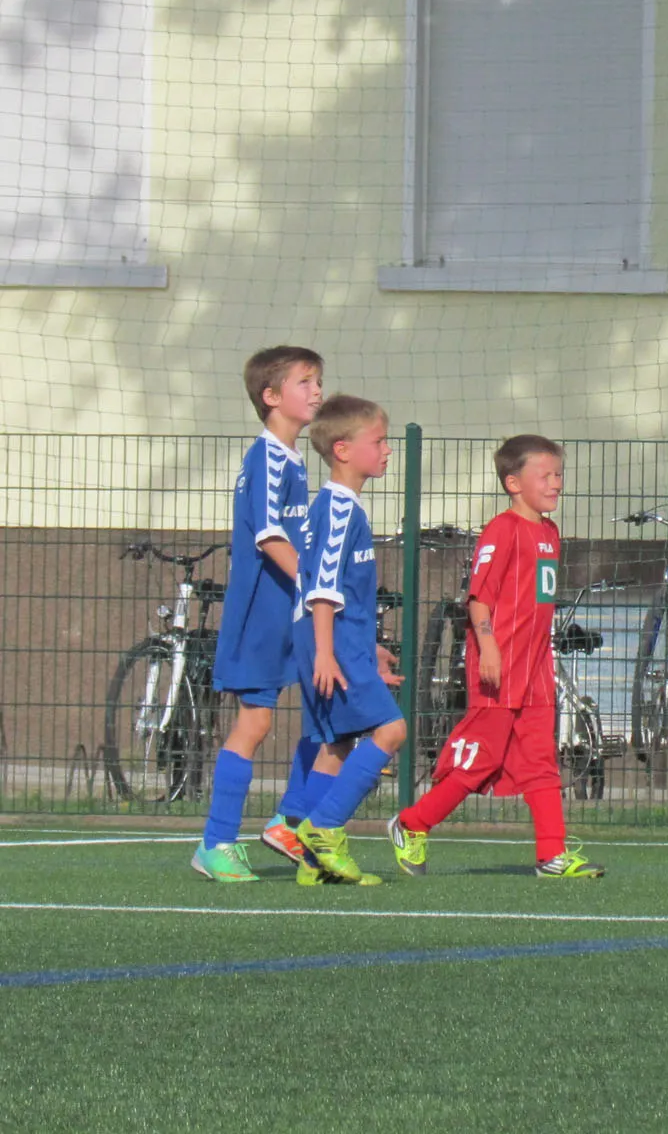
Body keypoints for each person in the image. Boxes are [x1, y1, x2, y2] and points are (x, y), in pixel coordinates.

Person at [386, 435, 603, 879]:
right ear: (513, 483)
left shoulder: (549, 533)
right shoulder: (502, 530)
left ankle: (552, 855)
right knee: (479, 762)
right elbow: (479, 598)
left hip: (536, 669)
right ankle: (412, 823)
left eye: (559, 474)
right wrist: (487, 648)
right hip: (499, 668)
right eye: (545, 475)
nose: (556, 483)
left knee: (542, 762)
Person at [191, 346, 324, 883]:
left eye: (318, 381)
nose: (317, 391)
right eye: (304, 382)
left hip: (291, 608)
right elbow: (269, 536)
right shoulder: (266, 456)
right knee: (256, 722)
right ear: (271, 397)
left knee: (328, 708)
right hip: (262, 613)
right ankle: (216, 843)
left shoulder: (292, 458)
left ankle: (288, 821)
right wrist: (315, 587)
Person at [281, 395, 409, 884]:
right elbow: (321, 588)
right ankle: (326, 828)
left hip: (334, 640)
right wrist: (328, 652)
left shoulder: (340, 506)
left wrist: (364, 646)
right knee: (391, 730)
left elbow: (336, 591)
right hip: (329, 644)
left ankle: (313, 864)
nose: (387, 450)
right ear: (342, 449)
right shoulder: (338, 509)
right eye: (378, 441)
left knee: (334, 743)